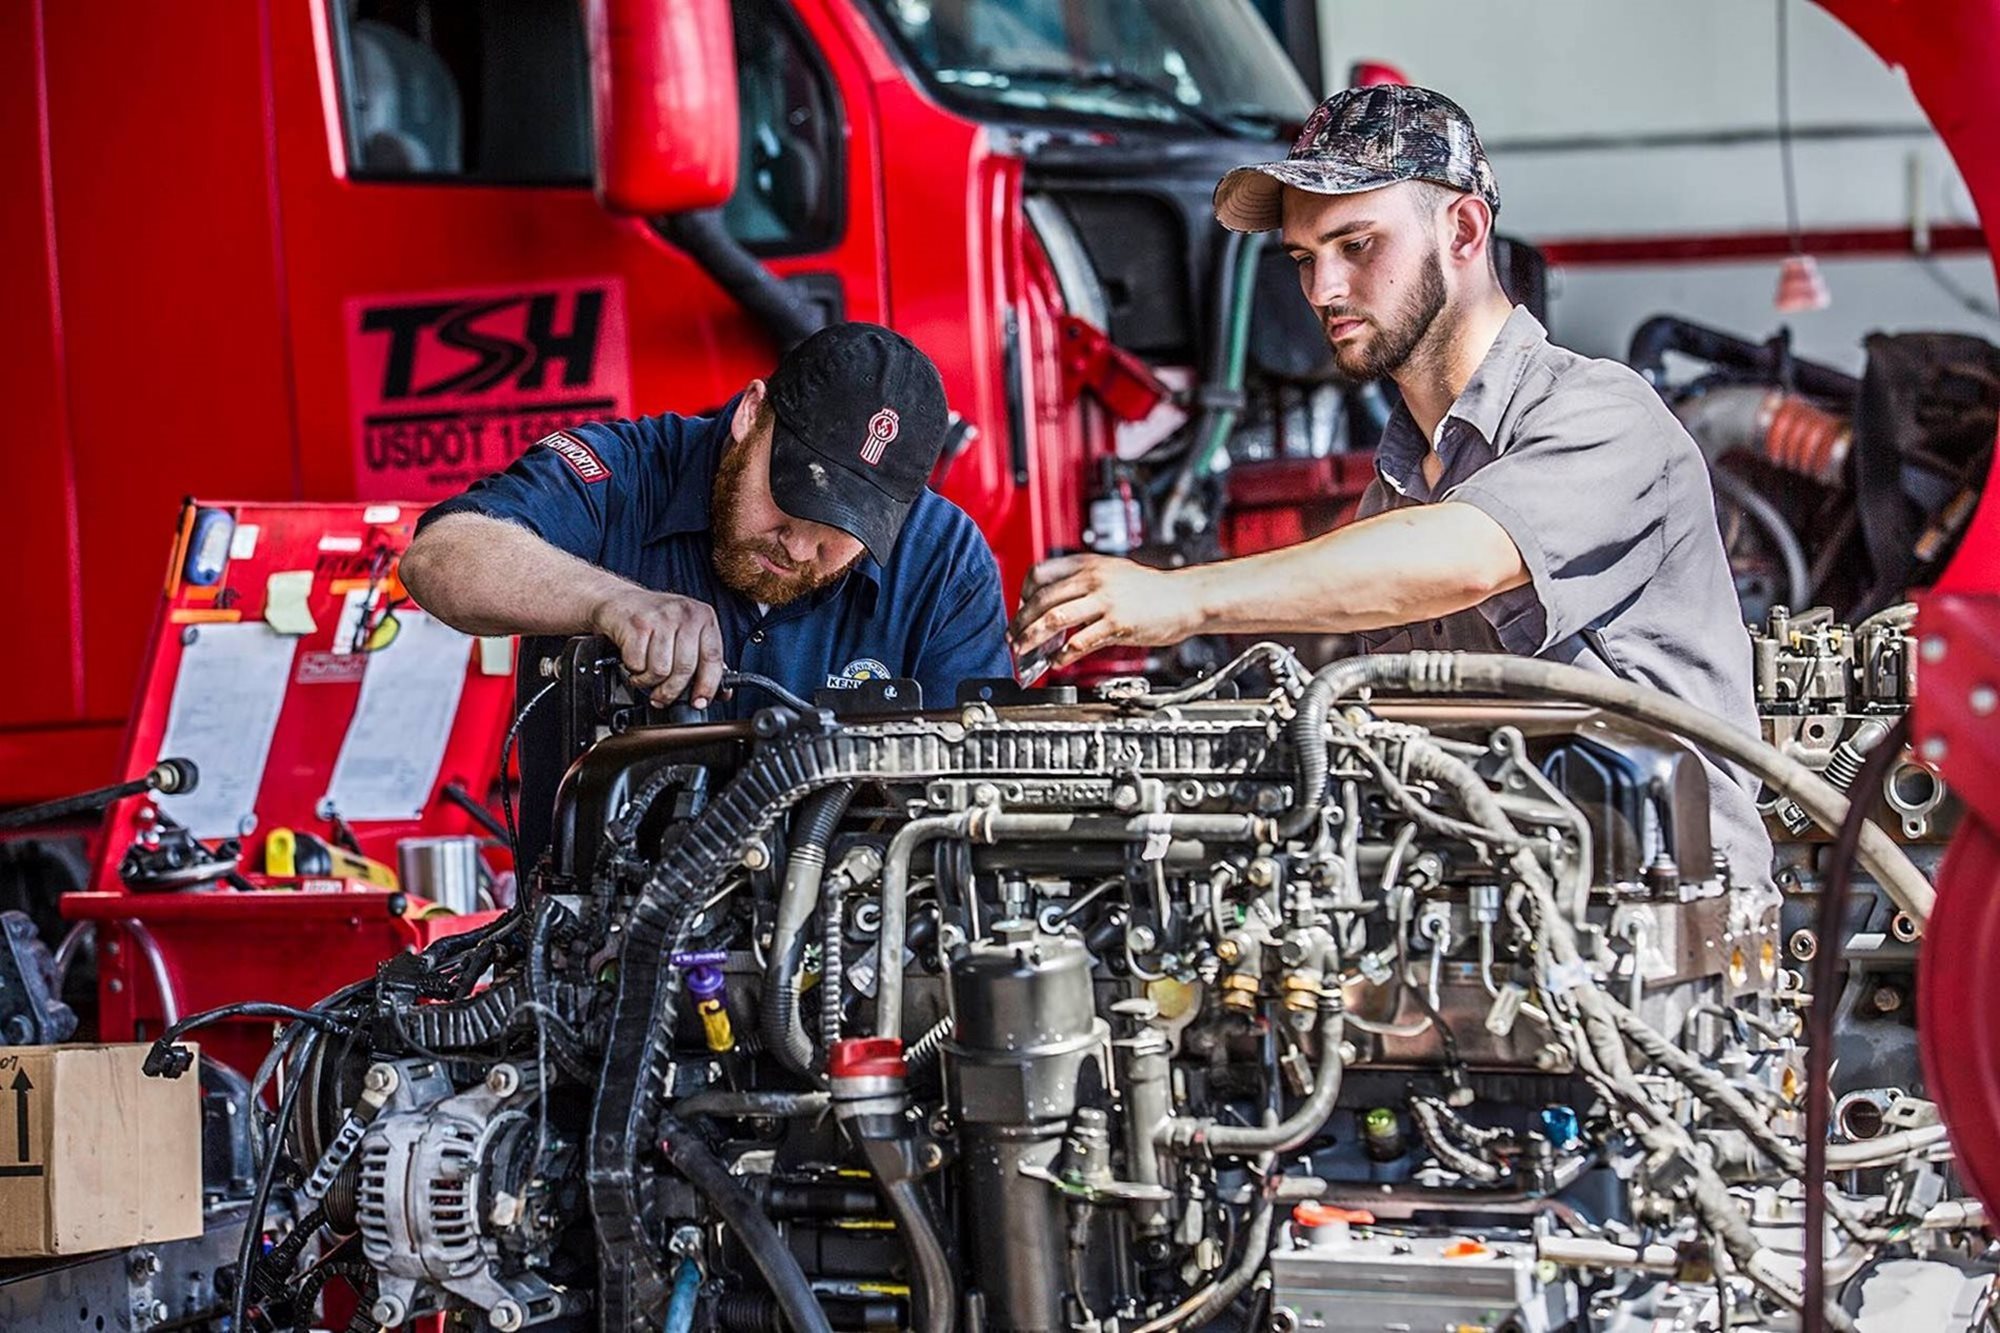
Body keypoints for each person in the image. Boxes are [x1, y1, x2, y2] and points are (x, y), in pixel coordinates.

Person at [1008, 84, 1774, 888]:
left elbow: (1472, 555)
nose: (1321, 291)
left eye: (1357, 245)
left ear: (1465, 229)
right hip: (1493, 926)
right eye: (1304, 258)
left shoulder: (1604, 415)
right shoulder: (1400, 490)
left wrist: (1183, 597)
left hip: (1668, 932)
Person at [403, 322, 1011, 869]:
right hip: (594, 962)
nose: (799, 548)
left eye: (841, 532)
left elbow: (983, 801)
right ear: (751, 415)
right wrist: (613, 602)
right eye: (793, 501)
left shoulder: (946, 560)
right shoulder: (623, 475)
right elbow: (439, 555)